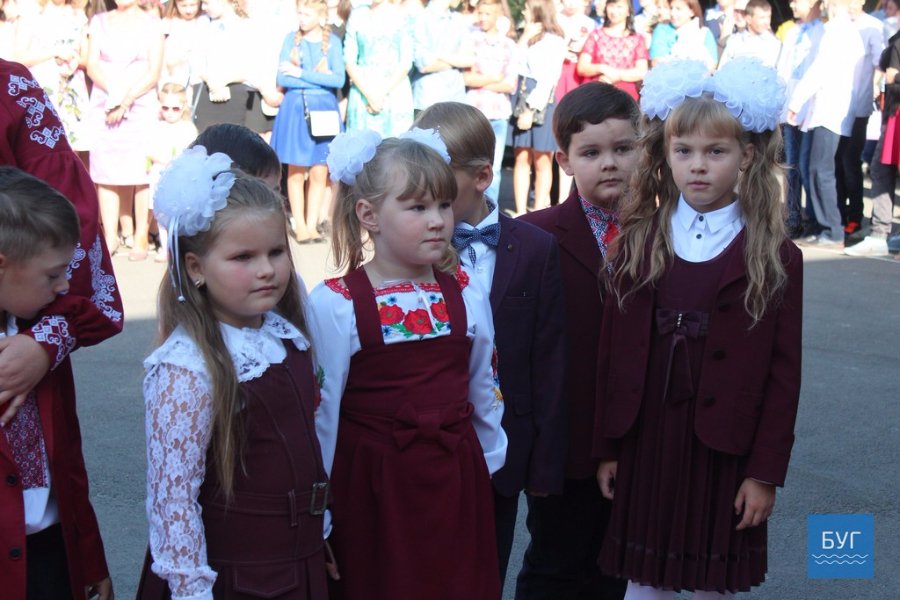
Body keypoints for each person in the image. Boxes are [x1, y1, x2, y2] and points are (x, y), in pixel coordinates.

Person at [594, 58, 803, 598]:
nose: (698, 166)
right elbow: (613, 353)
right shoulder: (638, 240)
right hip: (648, 441)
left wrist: (764, 473)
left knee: (712, 583)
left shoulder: (774, 254)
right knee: (644, 583)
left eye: (716, 152)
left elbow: (784, 376)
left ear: (747, 156)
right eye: (684, 151)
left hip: (723, 450)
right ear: (665, 155)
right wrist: (609, 446)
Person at [310, 128, 506, 599]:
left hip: (455, 476)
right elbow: (322, 411)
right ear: (368, 215)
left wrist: (485, 463)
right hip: (372, 484)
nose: (437, 220)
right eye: (417, 208)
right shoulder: (337, 303)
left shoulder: (465, 291)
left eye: (443, 205)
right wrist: (321, 510)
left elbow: (484, 384)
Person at [136, 147, 332, 600]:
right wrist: (191, 589)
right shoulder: (186, 368)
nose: (267, 270)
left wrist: (317, 531)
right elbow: (173, 500)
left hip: (296, 561)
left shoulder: (285, 336)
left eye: (276, 252)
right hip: (236, 577)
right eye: (243, 257)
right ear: (196, 268)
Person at [414, 102, 568, 591]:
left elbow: (549, 361)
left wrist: (544, 464)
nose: (425, 195)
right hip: (424, 444)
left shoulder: (536, 248)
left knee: (486, 571)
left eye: (440, 183)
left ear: (483, 176)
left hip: (504, 446)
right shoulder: (410, 247)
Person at [0, 58, 123, 600]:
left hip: (30, 352)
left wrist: (46, 339)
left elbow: (68, 229)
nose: (61, 282)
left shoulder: (9, 87)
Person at [516, 81, 637, 600]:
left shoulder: (666, 232)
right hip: (565, 442)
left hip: (637, 437)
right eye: (591, 153)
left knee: (623, 568)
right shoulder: (533, 236)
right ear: (564, 160)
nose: (609, 163)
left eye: (623, 148)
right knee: (557, 564)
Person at [86, 0, 164, 260]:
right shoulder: (99, 21)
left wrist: (126, 99)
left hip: (140, 101)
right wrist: (115, 95)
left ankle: (141, 234)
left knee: (142, 170)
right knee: (105, 169)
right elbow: (92, 64)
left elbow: (153, 72)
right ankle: (110, 236)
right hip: (105, 101)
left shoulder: (153, 23)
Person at [787, 0, 864, 249]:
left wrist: (796, 101)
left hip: (830, 110)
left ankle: (833, 230)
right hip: (828, 110)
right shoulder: (842, 30)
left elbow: (819, 70)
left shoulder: (838, 31)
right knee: (815, 169)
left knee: (821, 171)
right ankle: (823, 226)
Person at [271, 0, 345, 244]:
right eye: (299, 13)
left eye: (307, 14)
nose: (302, 18)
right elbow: (283, 78)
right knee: (295, 169)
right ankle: (300, 225)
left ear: (320, 15)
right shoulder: (290, 40)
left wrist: (301, 73)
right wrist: (319, 79)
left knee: (319, 169)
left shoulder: (333, 42)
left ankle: (312, 225)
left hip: (324, 109)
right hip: (296, 108)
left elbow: (338, 80)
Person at [13, 0, 92, 158]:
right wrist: (54, 52)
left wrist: (75, 59)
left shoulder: (78, 15)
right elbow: (18, 58)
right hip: (42, 89)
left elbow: (87, 58)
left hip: (70, 91)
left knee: (71, 152)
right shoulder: (31, 13)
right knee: (42, 149)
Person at [509, 0, 566, 216]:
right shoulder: (527, 35)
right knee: (521, 158)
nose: (523, 11)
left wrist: (530, 110)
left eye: (526, 8)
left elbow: (548, 78)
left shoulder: (554, 40)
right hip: (522, 93)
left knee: (543, 160)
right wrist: (524, 37)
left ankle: (539, 210)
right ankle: (520, 211)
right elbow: (512, 64)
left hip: (540, 100)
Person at [847, 26, 900, 256]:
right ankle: (879, 232)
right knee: (881, 168)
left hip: (896, 113)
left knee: (881, 169)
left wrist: (893, 76)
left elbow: (891, 74)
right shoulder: (896, 39)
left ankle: (880, 232)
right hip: (893, 112)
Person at [775, 0, 823, 239]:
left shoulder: (823, 31)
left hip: (812, 110)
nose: (792, 4)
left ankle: (813, 217)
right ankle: (793, 216)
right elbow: (782, 70)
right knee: (792, 165)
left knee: (808, 166)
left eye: (797, 0)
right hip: (791, 110)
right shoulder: (792, 32)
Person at [836, 0, 884, 236]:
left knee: (850, 161)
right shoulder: (837, 25)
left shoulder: (872, 26)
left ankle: (855, 215)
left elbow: (880, 62)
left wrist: (874, 85)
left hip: (858, 106)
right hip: (834, 107)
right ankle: (838, 213)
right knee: (835, 162)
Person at [464, 0, 518, 204]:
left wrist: (482, 80)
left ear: (498, 15)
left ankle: (491, 213)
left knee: (493, 168)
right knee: (469, 165)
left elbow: (510, 84)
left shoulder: (509, 45)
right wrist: (495, 78)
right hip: (474, 112)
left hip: (498, 114)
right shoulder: (471, 40)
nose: (483, 18)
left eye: (488, 14)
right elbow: (467, 79)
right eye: (481, 13)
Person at [343, 0, 414, 136]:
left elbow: (406, 62)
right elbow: (349, 60)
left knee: (395, 145)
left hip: (394, 91)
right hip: (362, 91)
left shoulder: (402, 16)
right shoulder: (357, 15)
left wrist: (380, 94)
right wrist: (369, 95)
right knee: (361, 145)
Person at [146, 82, 198, 262]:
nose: (170, 112)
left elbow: (193, 152)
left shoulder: (188, 128)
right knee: (161, 214)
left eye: (175, 108)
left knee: (180, 214)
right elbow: (149, 150)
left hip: (180, 176)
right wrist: (161, 159)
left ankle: (179, 247)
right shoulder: (156, 127)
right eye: (165, 108)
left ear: (183, 107)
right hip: (160, 173)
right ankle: (165, 246)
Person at [576, 0, 650, 101]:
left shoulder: (637, 39)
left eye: (619, 7)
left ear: (628, 11)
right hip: (595, 94)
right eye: (611, 6)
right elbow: (582, 67)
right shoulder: (596, 35)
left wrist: (617, 75)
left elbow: (642, 71)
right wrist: (602, 68)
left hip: (624, 97)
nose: (615, 11)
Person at [411, 0, 473, 113]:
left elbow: (469, 59)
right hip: (428, 101)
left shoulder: (458, 19)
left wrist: (438, 55)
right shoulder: (420, 18)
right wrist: (456, 61)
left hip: (457, 100)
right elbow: (424, 65)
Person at [649, 0, 718, 70]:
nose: (672, 13)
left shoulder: (704, 32)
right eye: (671, 8)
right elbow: (658, 63)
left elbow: (711, 65)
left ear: (692, 12)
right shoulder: (662, 29)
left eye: (678, 9)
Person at [717, 0, 780, 68]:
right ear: (748, 18)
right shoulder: (734, 41)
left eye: (768, 17)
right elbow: (722, 69)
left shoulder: (774, 43)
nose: (766, 22)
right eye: (736, 11)